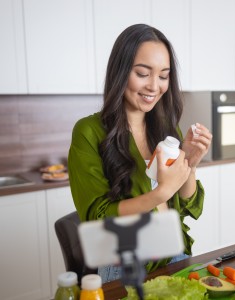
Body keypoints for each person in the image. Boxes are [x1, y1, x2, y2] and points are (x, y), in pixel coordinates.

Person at [68, 24, 212, 283]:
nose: (154, 86)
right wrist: (161, 192)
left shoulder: (166, 127)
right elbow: (96, 216)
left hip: (175, 255)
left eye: (164, 76)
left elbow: (188, 205)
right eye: (143, 73)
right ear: (121, 71)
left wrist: (189, 162)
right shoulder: (89, 131)